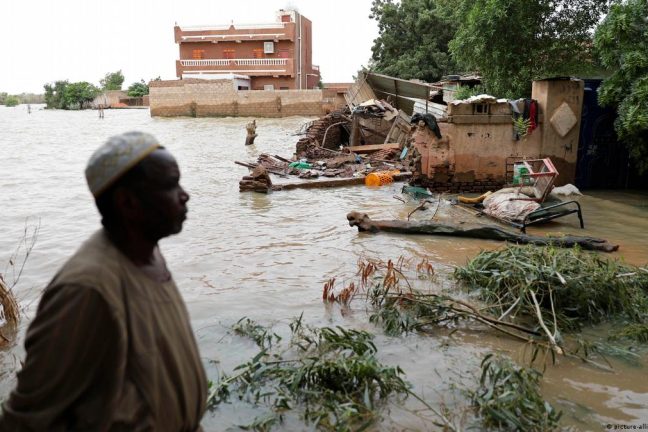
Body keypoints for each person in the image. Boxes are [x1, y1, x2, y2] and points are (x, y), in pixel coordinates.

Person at [0, 131, 207, 431]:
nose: (184, 194)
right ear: (128, 203)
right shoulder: (86, 290)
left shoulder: (147, 253)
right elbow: (27, 420)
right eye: (170, 184)